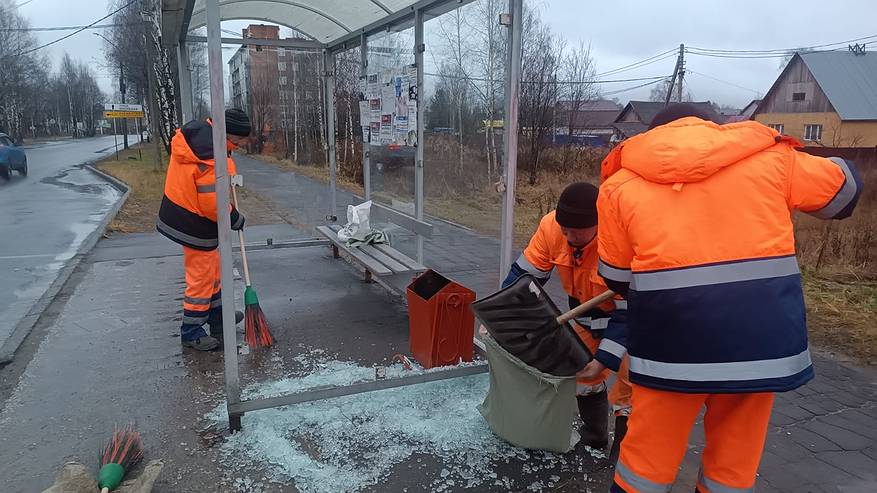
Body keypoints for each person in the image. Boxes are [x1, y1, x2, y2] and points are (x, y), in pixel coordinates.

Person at [580, 103, 863, 492]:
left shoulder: (619, 185)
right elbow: (845, 192)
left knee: (645, 464)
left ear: (650, 136)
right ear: (713, 129)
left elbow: (617, 278)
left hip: (671, 350)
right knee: (732, 467)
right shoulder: (772, 159)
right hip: (760, 349)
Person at [502, 182, 632, 458]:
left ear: (598, 223)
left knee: (631, 389)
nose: (568, 235)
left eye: (575, 230)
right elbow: (523, 279)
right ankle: (595, 438)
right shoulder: (551, 229)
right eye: (564, 228)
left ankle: (624, 455)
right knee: (584, 377)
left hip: (628, 324)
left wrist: (605, 359)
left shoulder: (619, 239)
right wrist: (500, 315)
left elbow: (630, 311)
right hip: (585, 316)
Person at [156, 108, 252, 351]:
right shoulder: (213, 156)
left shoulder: (205, 141)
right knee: (201, 277)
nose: (241, 145)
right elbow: (213, 204)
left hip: (186, 215)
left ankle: (218, 317)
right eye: (239, 140)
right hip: (193, 223)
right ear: (229, 135)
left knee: (214, 270)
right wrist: (233, 218)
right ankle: (191, 331)